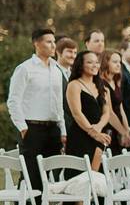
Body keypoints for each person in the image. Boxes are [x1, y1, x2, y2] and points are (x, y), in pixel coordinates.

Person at [7, 28, 66, 190]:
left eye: (54, 42)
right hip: (32, 130)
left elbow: (59, 103)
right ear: (36, 44)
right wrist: (23, 128)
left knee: (50, 178)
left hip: (53, 130)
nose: (54, 46)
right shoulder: (25, 68)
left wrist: (63, 130)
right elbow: (13, 101)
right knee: (30, 176)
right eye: (49, 42)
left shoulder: (56, 70)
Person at [65, 50, 112, 173]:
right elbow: (77, 113)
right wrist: (93, 132)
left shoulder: (103, 87)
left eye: (97, 62)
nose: (95, 65)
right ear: (81, 65)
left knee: (97, 178)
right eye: (90, 62)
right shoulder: (74, 85)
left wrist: (98, 128)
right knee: (80, 178)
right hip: (80, 135)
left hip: (100, 135)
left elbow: (107, 113)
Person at [98, 49, 130, 153]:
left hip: (119, 128)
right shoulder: (102, 83)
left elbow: (121, 109)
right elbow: (110, 113)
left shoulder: (116, 81)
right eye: (115, 62)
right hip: (108, 128)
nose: (118, 65)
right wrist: (122, 132)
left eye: (119, 62)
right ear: (105, 63)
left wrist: (127, 130)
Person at [55, 37, 78, 134]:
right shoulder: (53, 72)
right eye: (69, 52)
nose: (72, 55)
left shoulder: (75, 74)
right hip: (60, 128)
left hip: (75, 126)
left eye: (75, 52)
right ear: (58, 52)